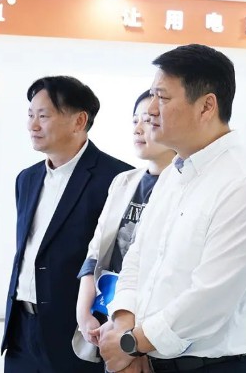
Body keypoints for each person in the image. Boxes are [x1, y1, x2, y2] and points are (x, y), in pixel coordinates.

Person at [99, 44, 246, 373]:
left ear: (206, 106)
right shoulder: (173, 173)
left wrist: (131, 343)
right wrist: (125, 326)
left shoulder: (245, 186)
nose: (150, 109)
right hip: (148, 357)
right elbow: (138, 258)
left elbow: (209, 300)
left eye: (162, 97)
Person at [1, 75, 133, 372]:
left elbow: (120, 261)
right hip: (21, 330)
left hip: (78, 332)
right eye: (30, 115)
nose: (33, 125)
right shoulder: (27, 179)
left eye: (43, 116)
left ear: (79, 121)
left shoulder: (117, 179)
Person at [73, 90, 175, 364]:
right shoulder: (124, 182)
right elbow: (96, 251)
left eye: (149, 120)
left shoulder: (183, 185)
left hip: (147, 325)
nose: (138, 129)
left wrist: (130, 332)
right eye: (134, 121)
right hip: (105, 312)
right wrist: (83, 312)